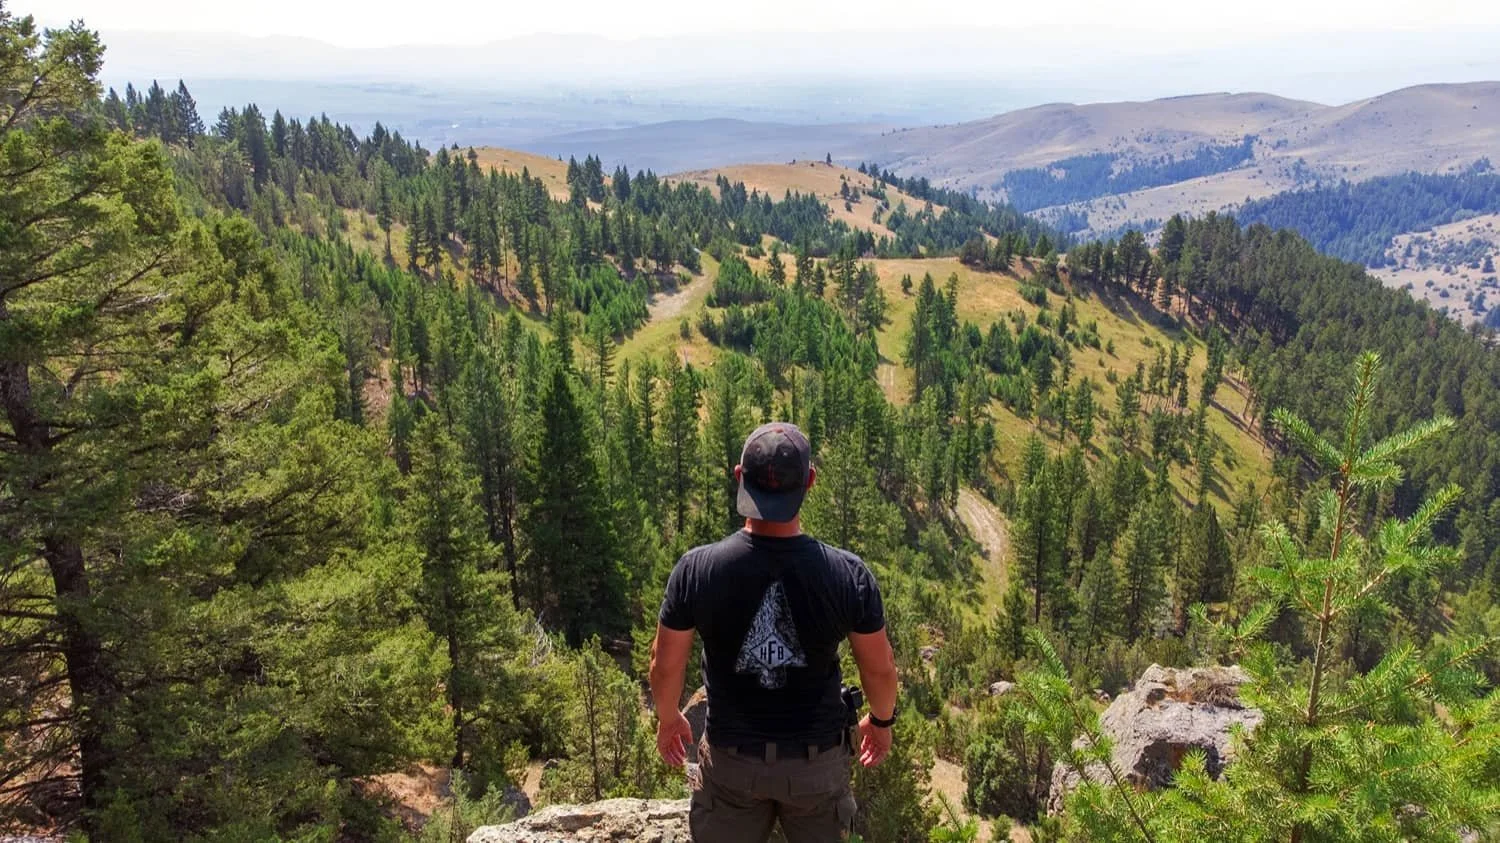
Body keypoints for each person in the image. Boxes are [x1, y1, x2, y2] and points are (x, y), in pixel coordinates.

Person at [649, 422, 899, 842]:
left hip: (732, 764)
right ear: (811, 482)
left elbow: (664, 664)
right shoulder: (848, 576)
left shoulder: (696, 570)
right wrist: (881, 720)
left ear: (739, 477)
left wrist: (669, 717)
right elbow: (880, 669)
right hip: (815, 769)